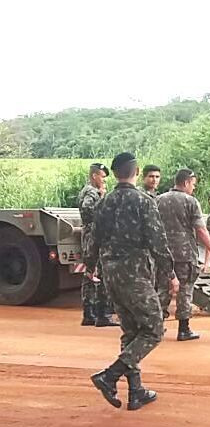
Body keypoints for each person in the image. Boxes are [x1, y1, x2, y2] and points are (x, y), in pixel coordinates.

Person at [86, 152, 177, 411]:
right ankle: (110, 376)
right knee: (154, 329)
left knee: (131, 331)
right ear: (136, 172)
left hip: (111, 275)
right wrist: (170, 274)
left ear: (114, 174)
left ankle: (135, 391)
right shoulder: (144, 201)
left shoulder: (105, 202)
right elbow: (158, 242)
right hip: (135, 274)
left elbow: (94, 238)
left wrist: (90, 266)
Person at [156, 168, 210, 341]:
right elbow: (200, 229)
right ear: (185, 183)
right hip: (184, 255)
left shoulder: (158, 200)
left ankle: (157, 327)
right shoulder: (190, 201)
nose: (194, 188)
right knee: (185, 290)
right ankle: (184, 329)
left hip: (163, 254)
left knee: (162, 288)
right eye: (193, 184)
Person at [77, 163, 118, 328]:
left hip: (91, 235)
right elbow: (89, 211)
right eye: (102, 176)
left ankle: (90, 313)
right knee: (99, 273)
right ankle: (102, 314)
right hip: (94, 235)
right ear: (94, 176)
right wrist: (102, 197)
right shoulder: (91, 192)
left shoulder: (89, 191)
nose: (103, 180)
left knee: (90, 273)